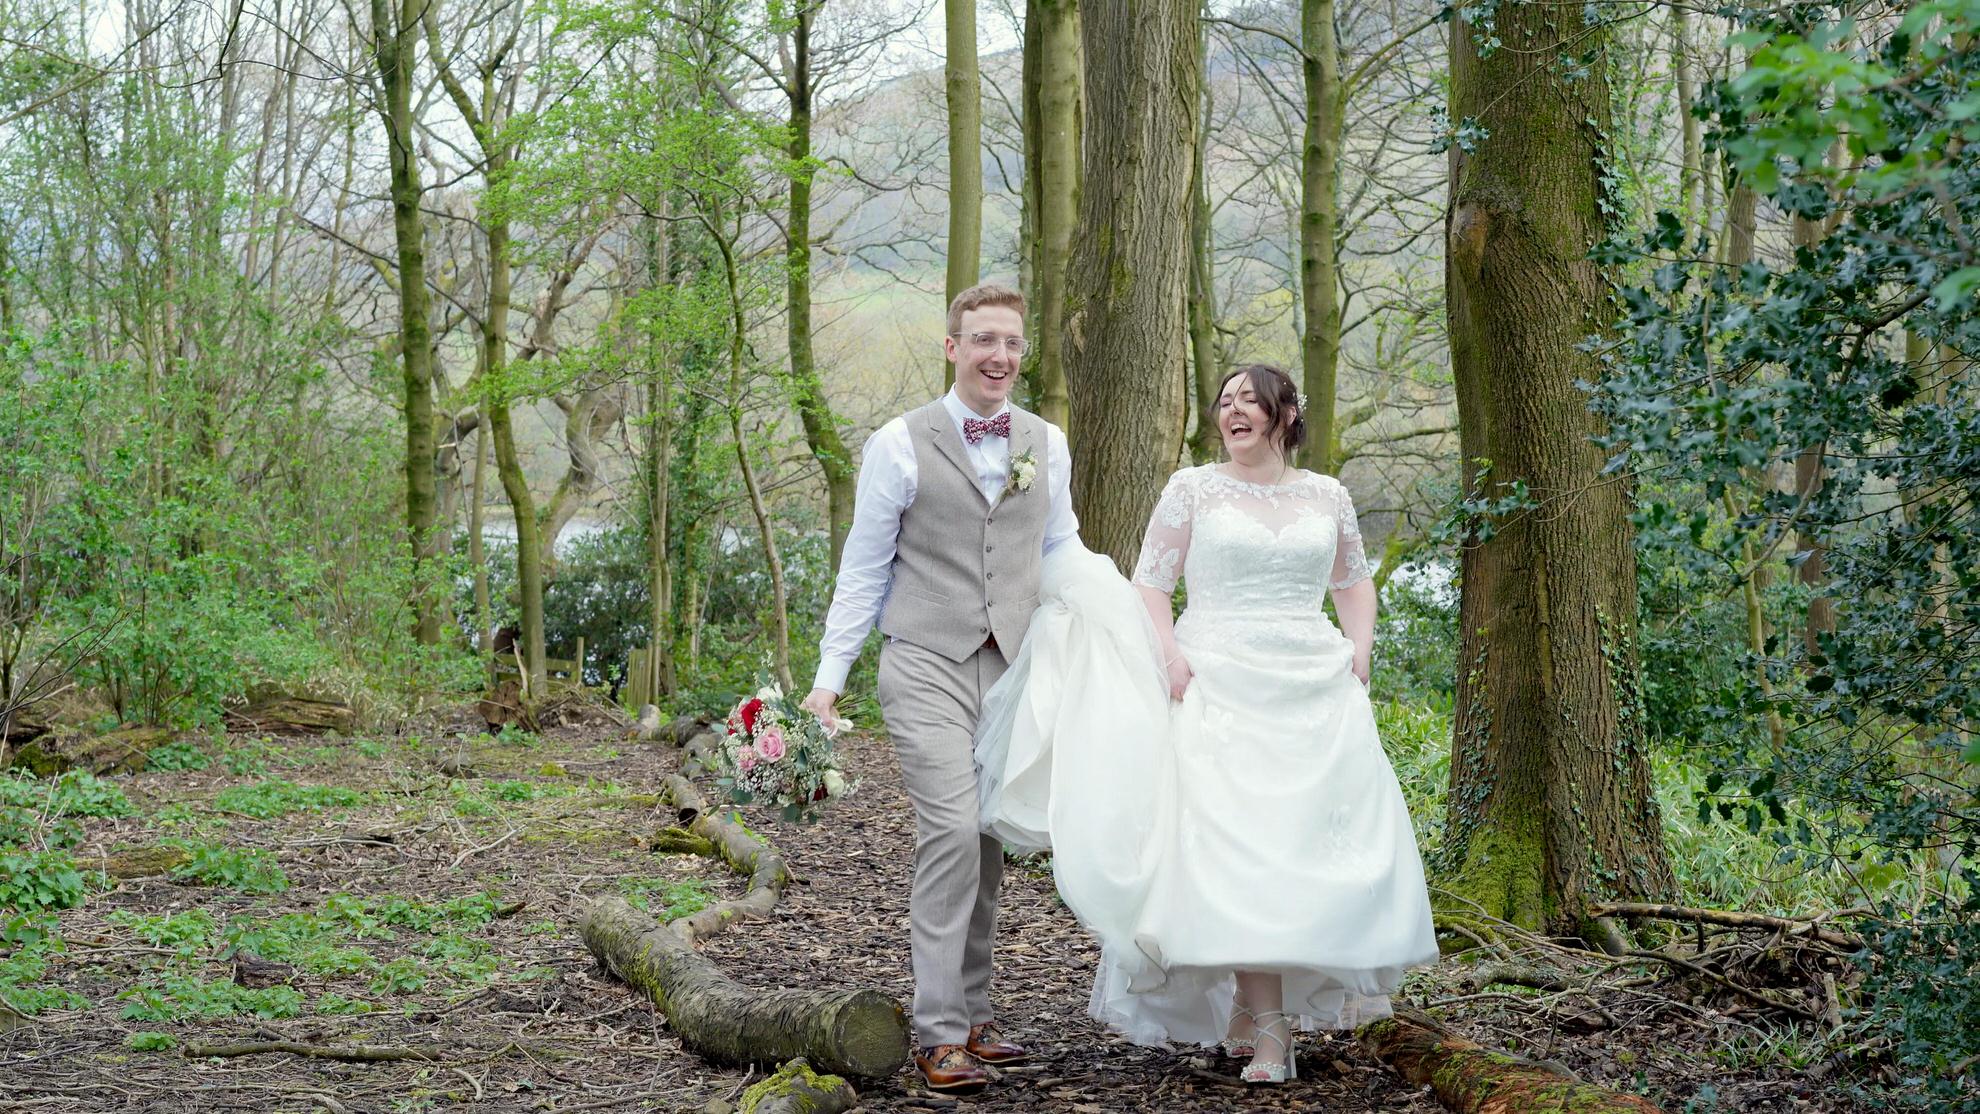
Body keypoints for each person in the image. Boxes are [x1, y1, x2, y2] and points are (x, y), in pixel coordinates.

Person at [974, 363, 1438, 1087]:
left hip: (1314, 686)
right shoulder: (1193, 488)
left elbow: (1353, 580)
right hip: (1218, 683)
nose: (1235, 411)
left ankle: (1252, 1012)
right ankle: (1272, 1030)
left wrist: (1360, 652)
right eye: (1225, 402)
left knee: (1304, 849)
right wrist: (1170, 658)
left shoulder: (1328, 495)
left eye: (1251, 400)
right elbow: (1152, 584)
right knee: (1238, 851)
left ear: (1287, 414)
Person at [799, 282, 1079, 1095]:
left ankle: (977, 1014)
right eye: (983, 339)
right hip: (924, 658)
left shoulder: (1046, 443)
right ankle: (936, 1028)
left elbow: (1060, 546)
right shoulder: (898, 442)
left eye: (1013, 344)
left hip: (1013, 663)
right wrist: (828, 683)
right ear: (952, 347)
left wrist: (1119, 640)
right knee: (953, 830)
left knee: (989, 840)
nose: (1000, 356)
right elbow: (862, 569)